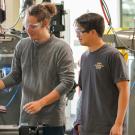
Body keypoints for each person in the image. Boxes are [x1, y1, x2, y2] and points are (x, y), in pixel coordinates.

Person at [0, 2, 74, 135]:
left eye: (33, 26)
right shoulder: (22, 45)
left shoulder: (61, 48)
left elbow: (67, 82)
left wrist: (41, 103)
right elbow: (15, 75)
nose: (28, 29)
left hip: (51, 120)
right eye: (26, 25)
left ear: (45, 24)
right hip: (27, 118)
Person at [73, 13, 129, 135]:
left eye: (80, 31)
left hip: (108, 127)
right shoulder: (84, 57)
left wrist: (118, 124)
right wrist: (78, 121)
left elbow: (124, 90)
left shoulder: (113, 56)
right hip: (87, 126)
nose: (77, 35)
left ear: (93, 32)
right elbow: (82, 91)